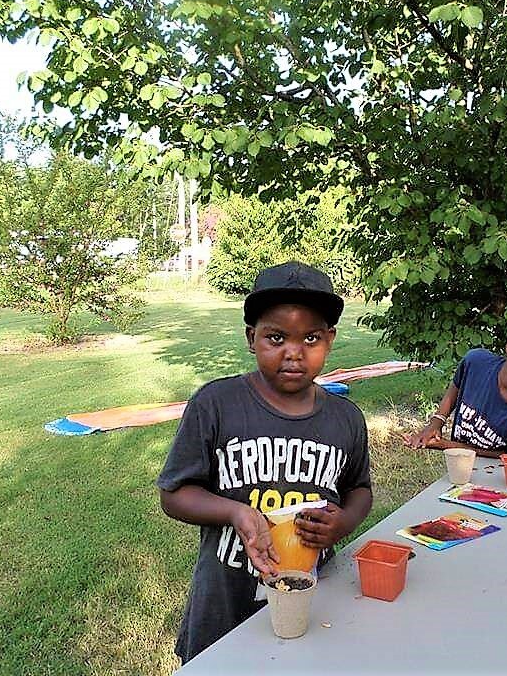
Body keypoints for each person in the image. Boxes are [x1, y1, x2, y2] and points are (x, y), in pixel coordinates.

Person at [157, 261, 372, 663]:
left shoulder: (346, 419)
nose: (294, 352)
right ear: (251, 338)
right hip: (226, 596)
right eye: (276, 337)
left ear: (330, 340)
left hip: (314, 593)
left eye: (310, 338)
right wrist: (236, 512)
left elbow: (359, 488)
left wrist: (343, 522)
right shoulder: (216, 404)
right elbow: (174, 495)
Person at [404, 318, 507, 458]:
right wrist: (436, 423)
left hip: (498, 483)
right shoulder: (476, 362)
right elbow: (455, 387)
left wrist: (447, 445)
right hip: (458, 471)